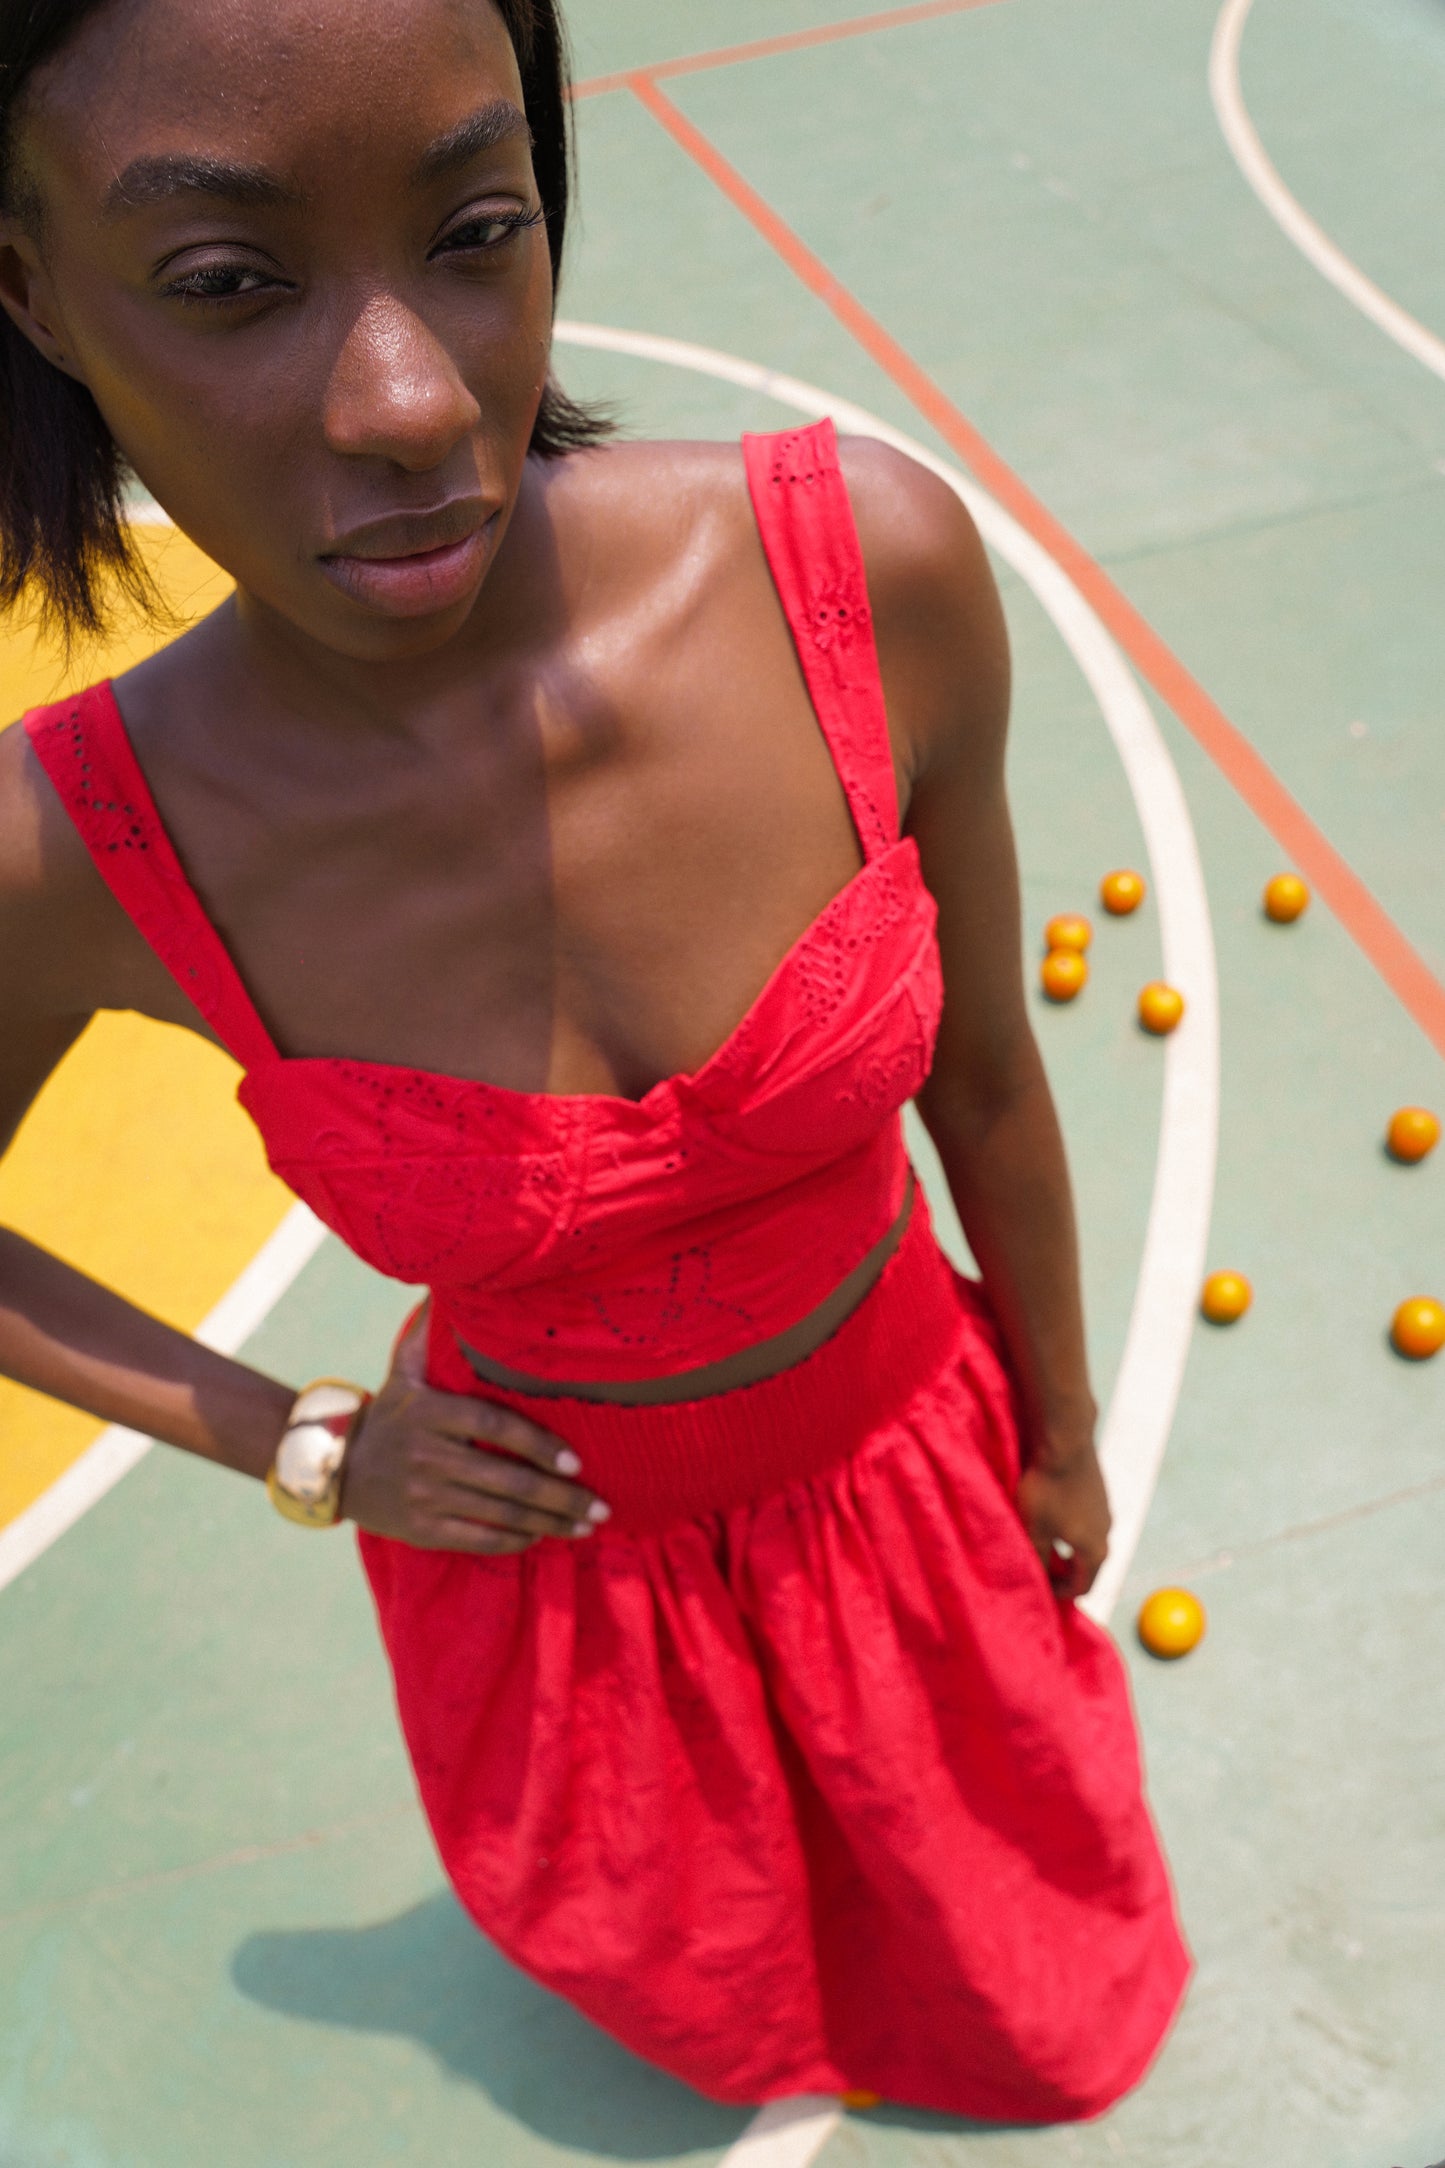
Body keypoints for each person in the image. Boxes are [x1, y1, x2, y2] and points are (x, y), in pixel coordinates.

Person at [0, 0, 1192, 2123]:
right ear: (34, 294)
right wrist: (298, 1438)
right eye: (225, 283)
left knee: (1022, 1966)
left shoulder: (869, 569)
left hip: (915, 1458)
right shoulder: (72, 843)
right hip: (565, 1590)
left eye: (475, 231)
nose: (408, 399)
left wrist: (1063, 1415)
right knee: (700, 1968)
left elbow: (987, 1075)